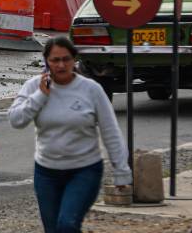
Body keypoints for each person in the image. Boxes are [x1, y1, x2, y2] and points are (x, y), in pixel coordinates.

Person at [10, 37, 130, 233]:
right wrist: (40, 96)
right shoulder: (34, 86)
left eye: (66, 59)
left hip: (84, 170)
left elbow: (111, 131)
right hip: (46, 172)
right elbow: (16, 120)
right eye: (55, 60)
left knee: (67, 225)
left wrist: (121, 172)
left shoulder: (91, 90)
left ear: (75, 60)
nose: (61, 65)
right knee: (53, 229)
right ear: (46, 61)